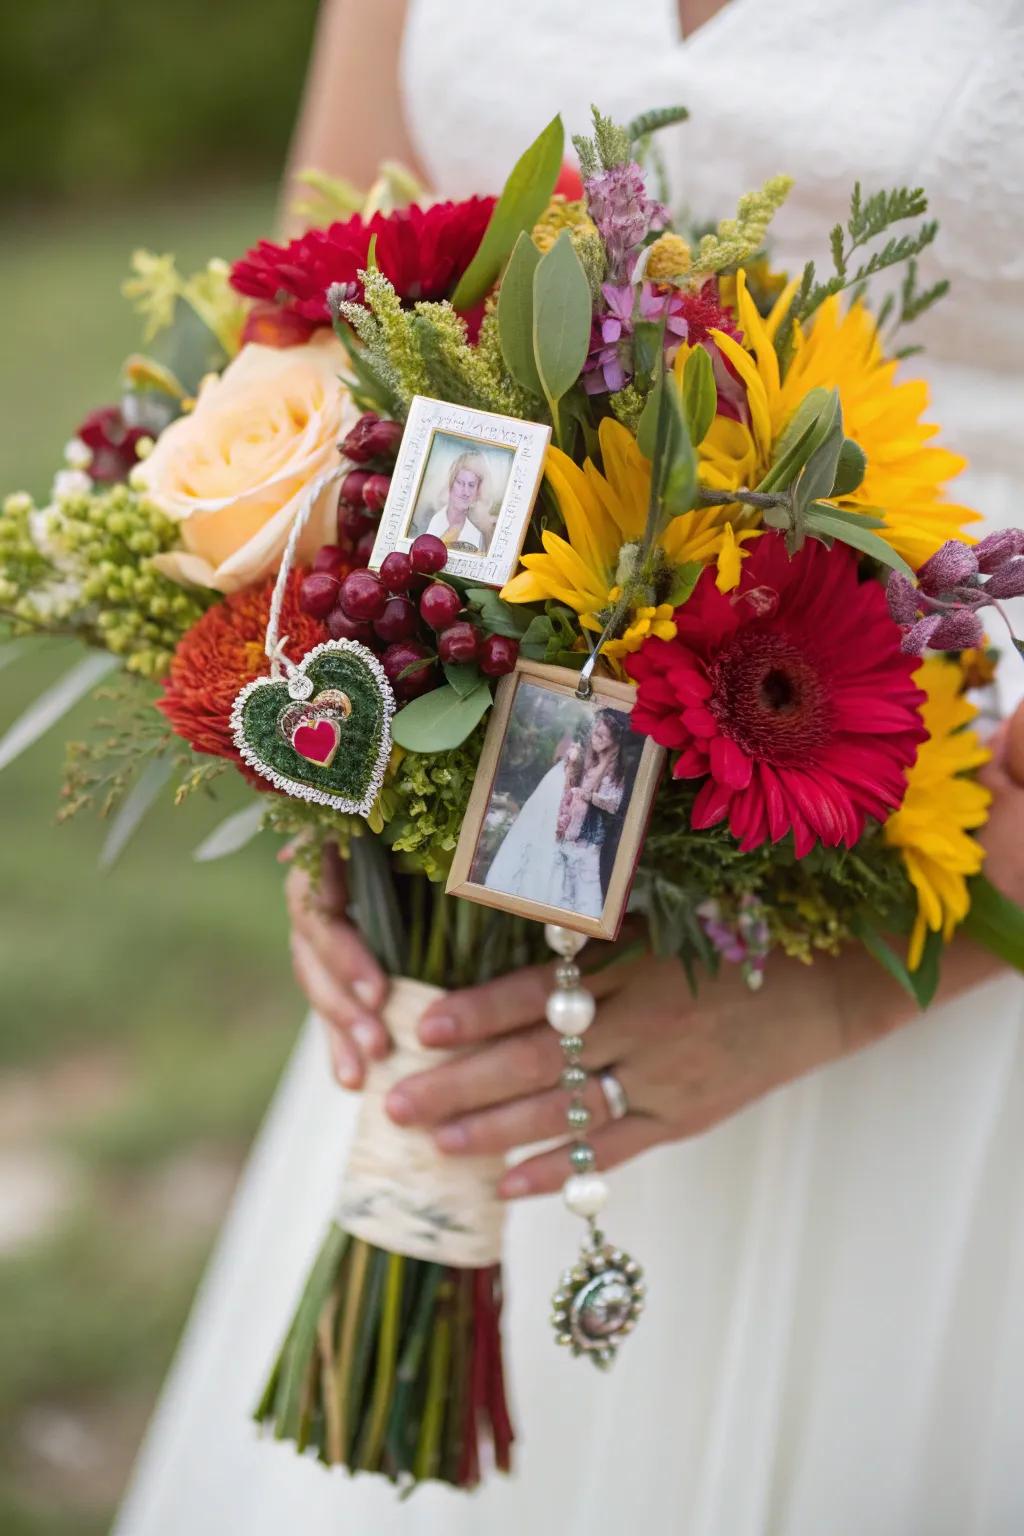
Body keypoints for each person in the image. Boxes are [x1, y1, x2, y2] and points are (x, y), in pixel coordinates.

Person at [114, 3, 1024, 1533]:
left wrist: (857, 975)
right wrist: (329, 772)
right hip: (493, 881)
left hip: (957, 874)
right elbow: (311, 326)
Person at [484, 707, 627, 916]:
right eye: (594, 733)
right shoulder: (584, 757)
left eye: (601, 736)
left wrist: (590, 795)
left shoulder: (612, 773)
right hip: (563, 817)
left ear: (614, 742)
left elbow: (612, 803)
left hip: (584, 832)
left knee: (574, 877)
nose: (595, 739)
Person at [420, 449, 492, 552]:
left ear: (477, 492)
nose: (465, 492)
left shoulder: (476, 536)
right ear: (451, 483)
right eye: (460, 483)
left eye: (471, 485)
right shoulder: (427, 522)